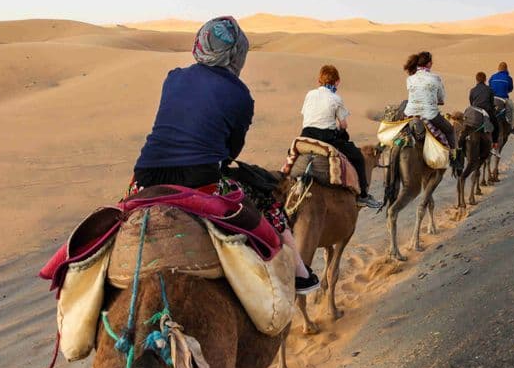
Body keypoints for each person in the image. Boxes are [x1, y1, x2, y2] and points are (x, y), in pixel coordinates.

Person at [133, 16, 320, 294]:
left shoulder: (172, 78)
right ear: (236, 55)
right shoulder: (240, 95)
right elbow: (231, 151)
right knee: (270, 205)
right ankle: (299, 273)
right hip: (201, 180)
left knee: (119, 219)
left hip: (145, 177)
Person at [300, 65, 381, 209]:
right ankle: (363, 196)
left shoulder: (309, 94)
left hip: (306, 135)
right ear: (337, 82)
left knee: (293, 153)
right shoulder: (335, 98)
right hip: (326, 137)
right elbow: (343, 125)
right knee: (357, 157)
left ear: (319, 80)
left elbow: (306, 115)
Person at [403, 51, 457, 152]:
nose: (432, 63)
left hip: (410, 113)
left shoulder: (410, 79)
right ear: (428, 63)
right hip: (429, 114)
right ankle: (454, 156)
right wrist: (439, 101)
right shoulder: (435, 78)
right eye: (431, 62)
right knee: (449, 130)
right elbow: (441, 98)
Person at [469, 71, 498, 145]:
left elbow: (471, 102)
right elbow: (491, 103)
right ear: (485, 79)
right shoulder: (489, 89)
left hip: (475, 111)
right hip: (487, 111)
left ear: (476, 80)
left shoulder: (472, 90)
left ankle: (460, 146)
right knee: (496, 124)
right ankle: (495, 142)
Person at [488, 61, 514, 133]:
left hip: (492, 98)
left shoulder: (493, 76)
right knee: (512, 110)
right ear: (506, 69)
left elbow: (489, 86)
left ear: (498, 69)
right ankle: (511, 127)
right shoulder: (509, 78)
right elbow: (510, 89)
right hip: (503, 98)